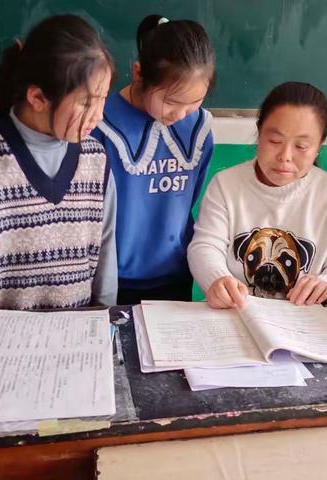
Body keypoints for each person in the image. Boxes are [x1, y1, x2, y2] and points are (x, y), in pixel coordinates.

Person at [188, 82, 327, 309]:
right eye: (275, 142)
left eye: (301, 146)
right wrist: (218, 279)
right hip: (236, 313)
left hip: (303, 321)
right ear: (259, 132)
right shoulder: (227, 185)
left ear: (318, 146)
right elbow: (205, 245)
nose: (285, 156)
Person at [0, 14, 117, 310]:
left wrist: (105, 319)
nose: (98, 116)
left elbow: (106, 251)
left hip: (77, 343)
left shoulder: (95, 159)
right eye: (86, 102)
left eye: (103, 98)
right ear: (37, 97)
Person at [93, 15, 215, 304]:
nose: (181, 114)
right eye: (172, 102)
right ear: (138, 74)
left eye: (195, 102)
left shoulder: (198, 129)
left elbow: (192, 197)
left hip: (174, 277)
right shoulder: (100, 125)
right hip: (112, 280)